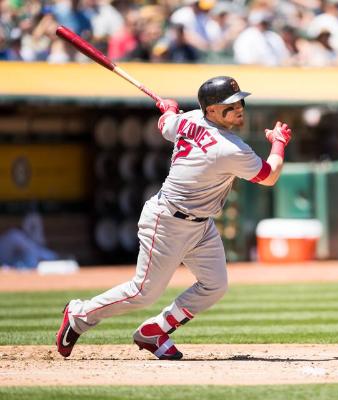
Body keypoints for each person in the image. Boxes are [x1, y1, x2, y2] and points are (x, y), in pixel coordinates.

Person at [56, 76, 292, 360]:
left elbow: (165, 125)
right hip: (167, 221)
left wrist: (168, 110)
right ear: (212, 111)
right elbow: (270, 175)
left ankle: (155, 330)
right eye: (230, 105)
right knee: (143, 292)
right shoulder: (229, 147)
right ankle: (79, 314)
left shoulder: (189, 119)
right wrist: (278, 143)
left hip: (201, 225)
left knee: (214, 285)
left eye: (240, 101)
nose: (239, 108)